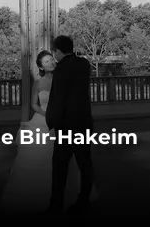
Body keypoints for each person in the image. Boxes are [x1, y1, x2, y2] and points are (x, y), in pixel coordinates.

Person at [1, 50, 91, 212]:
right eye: (46, 61)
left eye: (51, 59)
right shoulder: (39, 83)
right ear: (41, 67)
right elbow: (34, 104)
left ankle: (67, 197)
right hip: (43, 120)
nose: (50, 63)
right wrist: (48, 114)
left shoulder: (64, 78)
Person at [45, 35, 95, 215]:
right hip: (84, 122)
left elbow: (58, 99)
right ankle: (84, 200)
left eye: (54, 52)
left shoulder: (61, 69)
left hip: (66, 126)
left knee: (59, 167)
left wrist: (51, 121)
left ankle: (56, 205)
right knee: (85, 163)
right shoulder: (84, 64)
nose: (54, 56)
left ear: (58, 51)